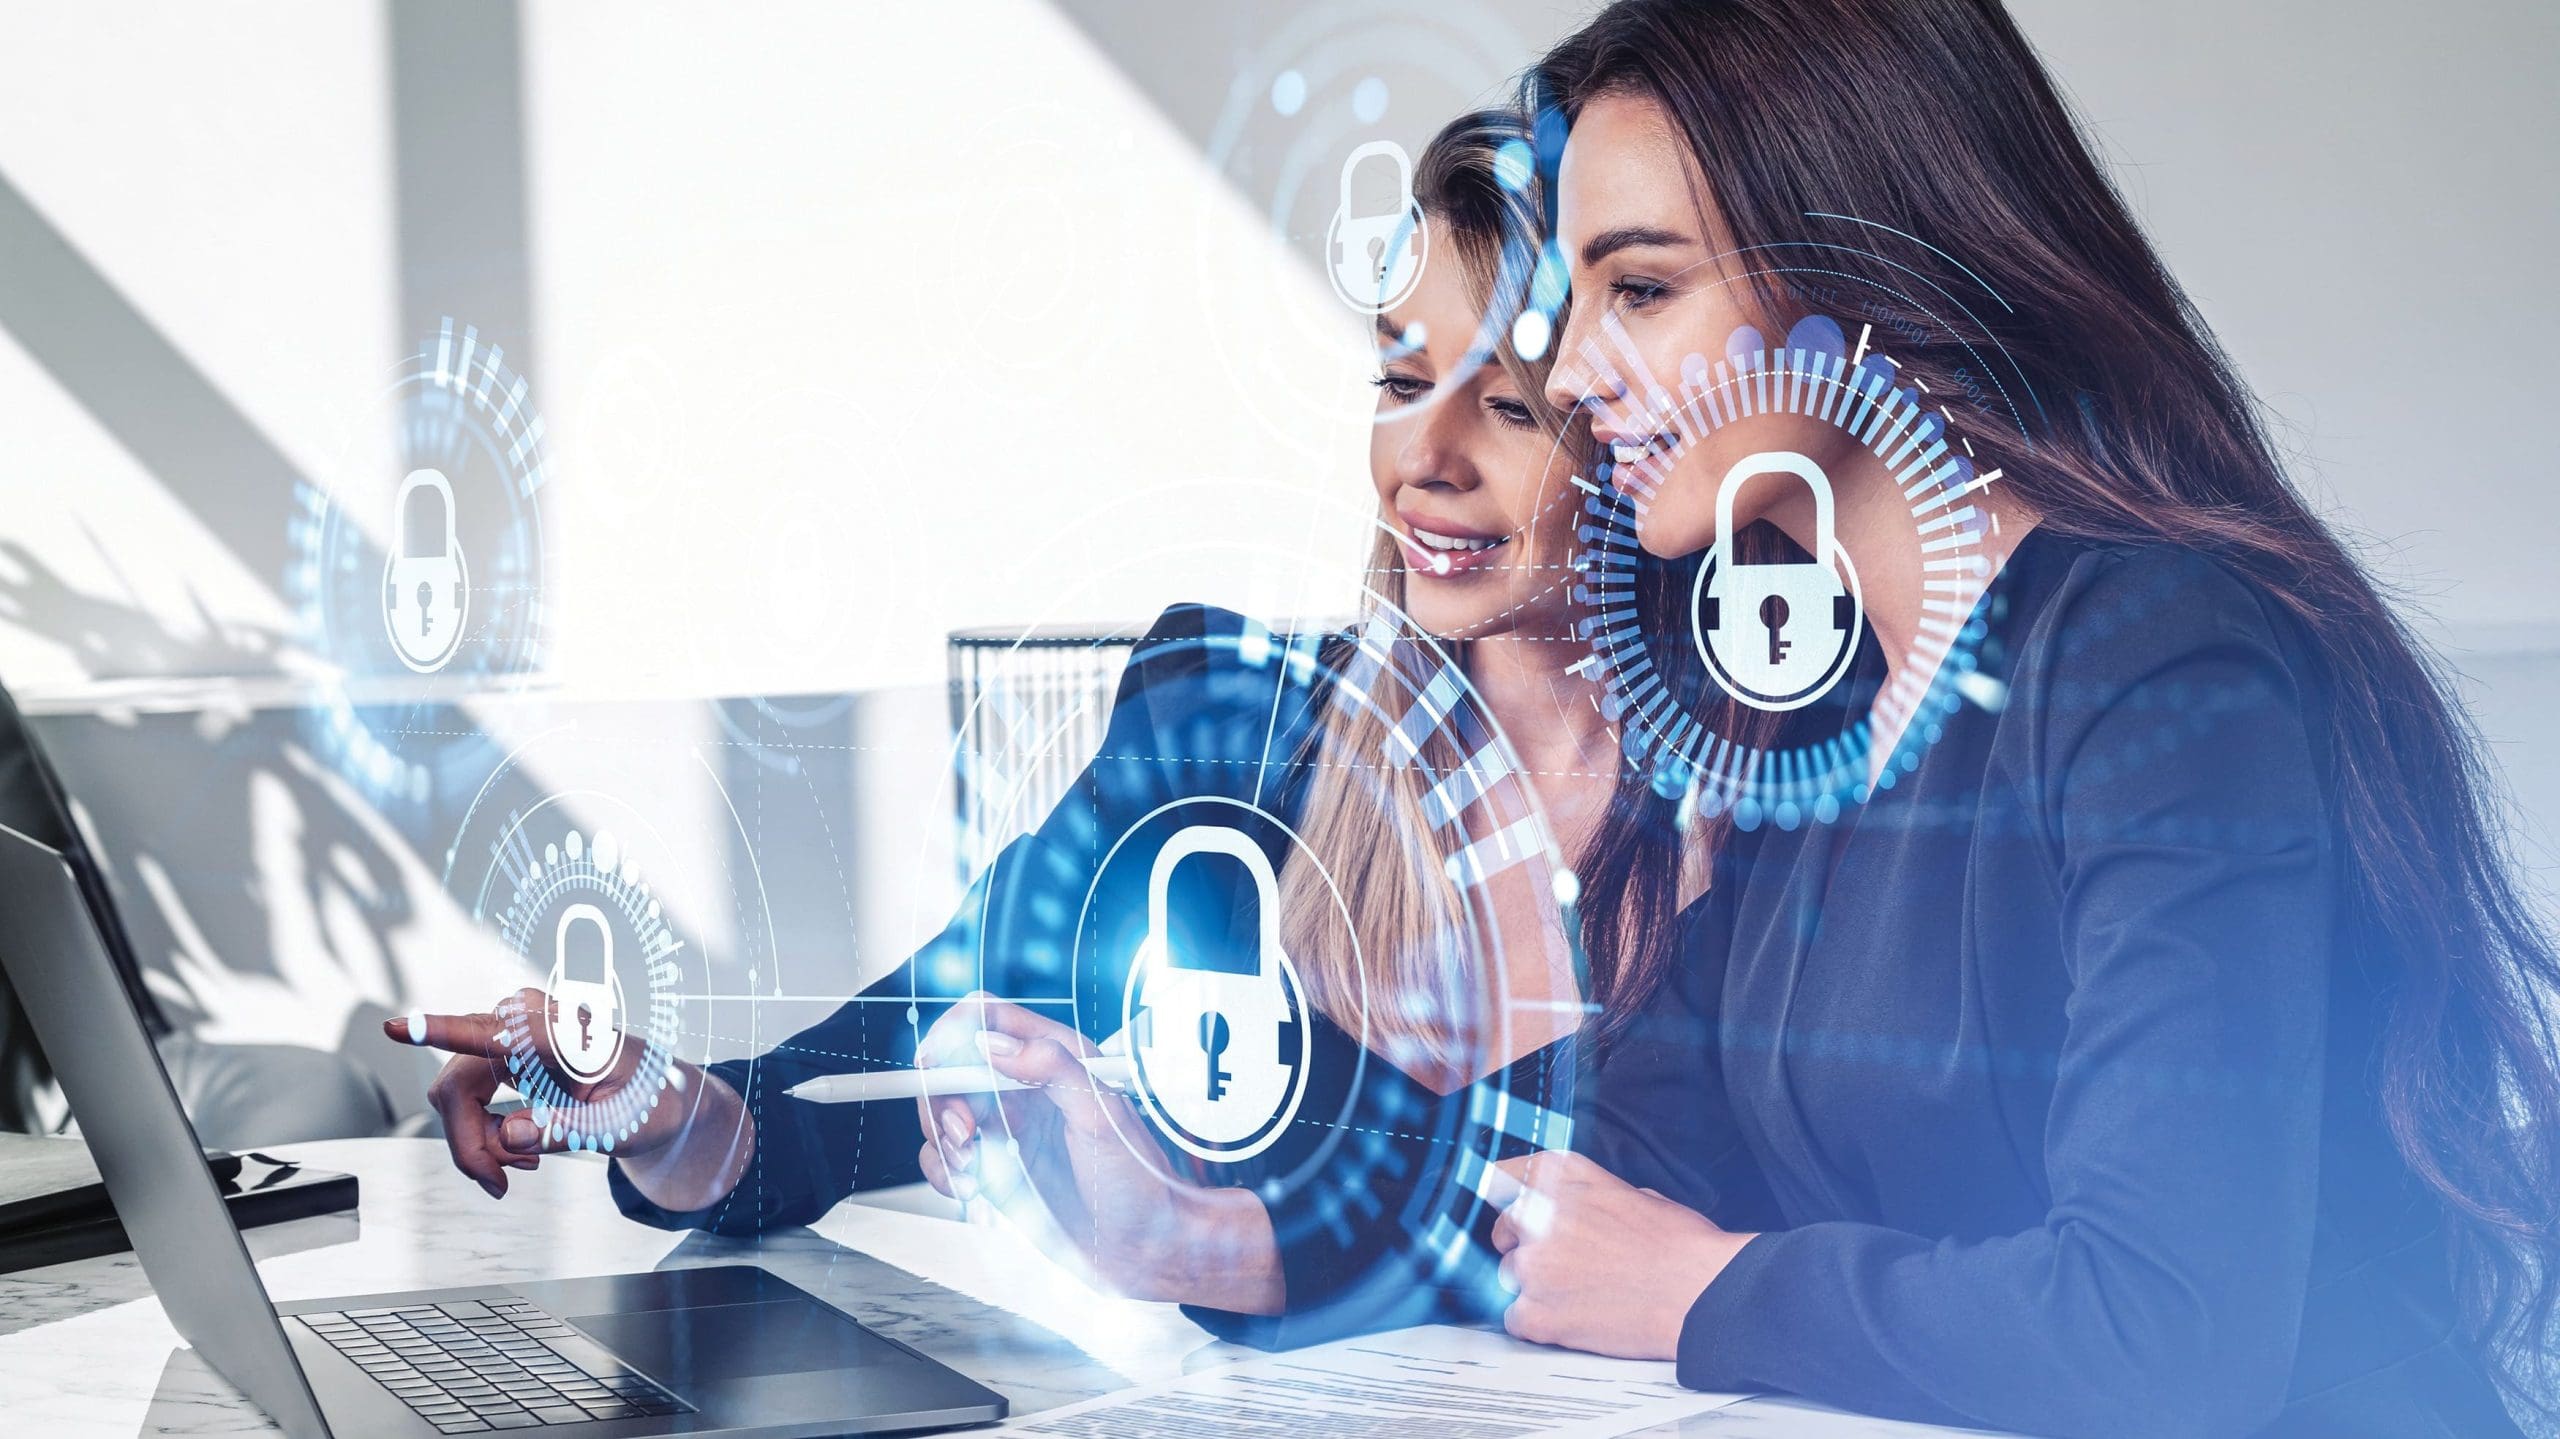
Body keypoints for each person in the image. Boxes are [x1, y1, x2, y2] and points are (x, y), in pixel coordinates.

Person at [392, 109, 1716, 1344]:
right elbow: (834, 1108)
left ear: (1626, 426)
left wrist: (1191, 1233)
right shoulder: (1229, 731)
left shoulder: (1759, 804)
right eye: (1401, 379)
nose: (1427, 457)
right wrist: (649, 1100)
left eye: (1509, 406)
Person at [1478, 3, 2560, 1437]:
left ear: (1857, 267)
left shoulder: (2171, 663)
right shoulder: (1820, 706)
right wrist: (1215, 1218)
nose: (1569, 375)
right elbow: (1624, 1157)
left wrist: (1697, 1292)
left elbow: (2158, 1332)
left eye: (1646, 290)